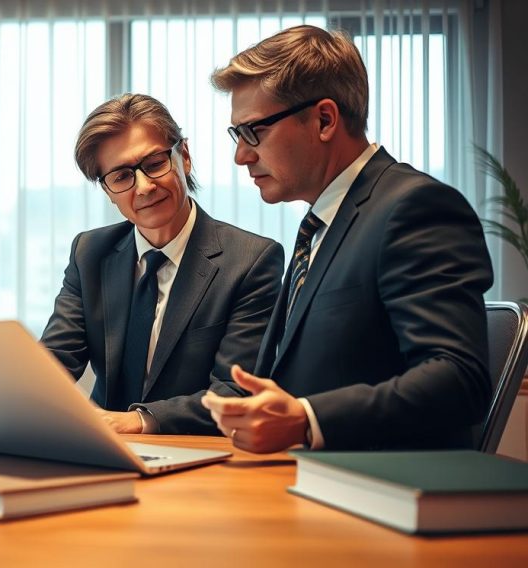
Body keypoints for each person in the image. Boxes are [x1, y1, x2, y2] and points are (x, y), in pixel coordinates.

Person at [201, 25, 493, 453]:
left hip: (376, 496)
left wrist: (307, 420)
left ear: (324, 120)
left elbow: (458, 379)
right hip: (302, 480)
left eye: (253, 132)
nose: (241, 156)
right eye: (237, 135)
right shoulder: (321, 225)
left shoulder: (416, 208)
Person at [40, 93, 284, 434]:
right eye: (122, 177)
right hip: (103, 450)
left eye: (154, 164)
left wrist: (139, 420)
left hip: (198, 456)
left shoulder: (251, 261)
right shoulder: (89, 253)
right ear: (107, 190)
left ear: (183, 156)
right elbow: (54, 363)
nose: (143, 187)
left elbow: (232, 390)